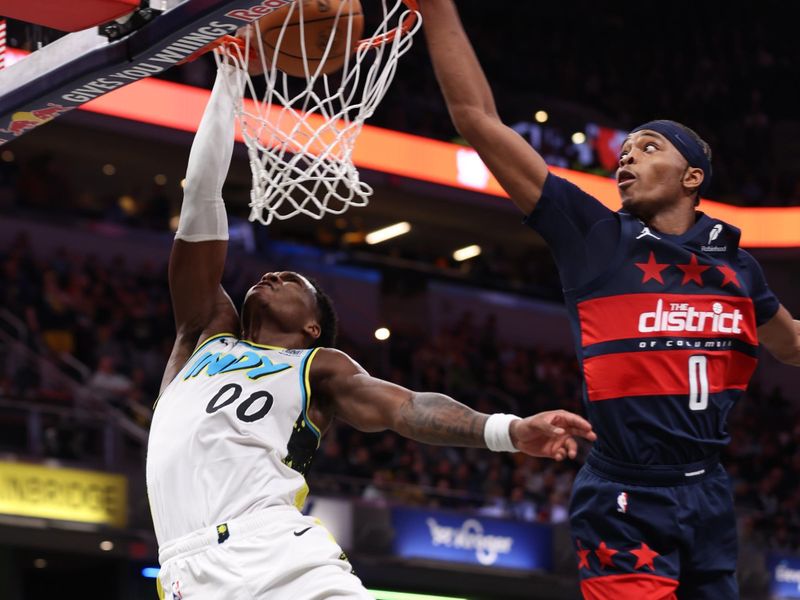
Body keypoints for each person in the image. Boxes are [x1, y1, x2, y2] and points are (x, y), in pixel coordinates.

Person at [144, 64, 596, 600]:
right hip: (181, 574)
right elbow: (200, 194)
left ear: (313, 326)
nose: (274, 274)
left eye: (294, 280)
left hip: (269, 555)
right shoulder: (203, 333)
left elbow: (405, 408)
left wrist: (508, 430)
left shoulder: (319, 366)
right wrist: (228, 78)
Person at [419, 1, 800, 598]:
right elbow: (477, 119)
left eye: (648, 148)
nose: (627, 155)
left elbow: (794, 345)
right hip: (624, 496)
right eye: (624, 149)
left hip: (709, 493)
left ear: (692, 177)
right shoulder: (596, 238)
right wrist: (436, 8)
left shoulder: (739, 267)